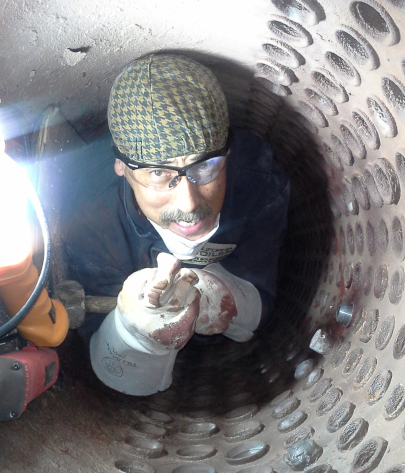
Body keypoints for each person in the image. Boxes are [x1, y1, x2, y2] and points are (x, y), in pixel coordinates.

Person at [63, 54, 290, 395]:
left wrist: (224, 295)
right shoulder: (93, 219)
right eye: (159, 173)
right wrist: (134, 329)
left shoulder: (259, 182)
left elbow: (263, 298)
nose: (189, 203)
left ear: (228, 151)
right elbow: (103, 356)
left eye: (205, 166)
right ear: (122, 169)